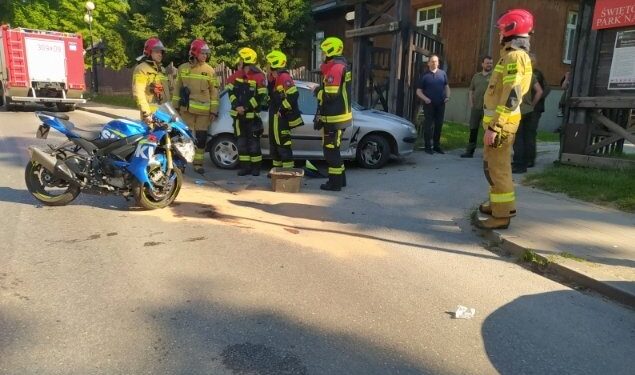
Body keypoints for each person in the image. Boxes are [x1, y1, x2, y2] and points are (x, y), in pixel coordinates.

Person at [476, 9, 534, 230]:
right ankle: (495, 205)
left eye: (501, 30)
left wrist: (495, 126)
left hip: (501, 124)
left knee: (499, 168)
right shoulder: (509, 55)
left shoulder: (515, 57)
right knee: (492, 166)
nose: (499, 34)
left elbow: (512, 95)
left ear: (511, 30)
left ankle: (502, 216)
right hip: (497, 123)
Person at [171, 39, 219, 174]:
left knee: (201, 138)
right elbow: (177, 89)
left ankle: (198, 163)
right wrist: (175, 108)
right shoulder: (183, 68)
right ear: (195, 53)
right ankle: (181, 163)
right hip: (186, 111)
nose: (205, 56)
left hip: (203, 114)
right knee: (182, 138)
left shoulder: (209, 71)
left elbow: (214, 92)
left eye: (206, 54)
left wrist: (214, 111)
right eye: (203, 53)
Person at [315, 36, 352, 191]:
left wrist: (317, 91)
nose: (322, 55)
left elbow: (330, 95)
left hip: (335, 118)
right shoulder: (340, 65)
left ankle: (334, 183)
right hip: (337, 116)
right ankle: (341, 180)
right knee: (334, 149)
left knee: (330, 152)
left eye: (323, 52)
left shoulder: (336, 68)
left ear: (330, 51)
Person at [226, 48, 268, 176]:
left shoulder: (259, 77)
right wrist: (237, 105)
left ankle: (256, 169)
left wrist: (246, 108)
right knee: (242, 144)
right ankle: (245, 168)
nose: (239, 62)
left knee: (254, 144)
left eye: (241, 60)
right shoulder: (235, 76)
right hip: (238, 118)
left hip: (252, 117)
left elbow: (260, 97)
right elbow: (230, 93)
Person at [265, 50, 304, 169]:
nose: (266, 66)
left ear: (273, 64)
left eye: (268, 63)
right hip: (275, 117)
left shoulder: (284, 77)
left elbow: (293, 95)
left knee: (283, 146)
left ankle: (287, 173)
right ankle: (277, 172)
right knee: (274, 145)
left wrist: (282, 109)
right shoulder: (273, 79)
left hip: (282, 118)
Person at [512, 53, 547, 173]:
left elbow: (542, 91)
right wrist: (532, 104)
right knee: (527, 136)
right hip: (529, 110)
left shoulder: (516, 75)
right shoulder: (530, 75)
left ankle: (520, 163)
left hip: (520, 110)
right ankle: (525, 161)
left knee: (520, 138)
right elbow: (540, 91)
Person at [416, 54, 451, 155]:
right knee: (428, 125)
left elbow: (447, 87)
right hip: (429, 104)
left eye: (436, 61)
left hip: (440, 104)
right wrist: (425, 99)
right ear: (428, 63)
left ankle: (436, 146)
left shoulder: (443, 74)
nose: (434, 63)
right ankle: (428, 147)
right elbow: (418, 91)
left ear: (438, 63)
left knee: (439, 125)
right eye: (432, 61)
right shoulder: (424, 75)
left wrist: (447, 97)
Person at [132, 37, 170, 125]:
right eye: (157, 52)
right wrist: (146, 113)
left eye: (161, 52)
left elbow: (169, 92)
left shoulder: (162, 70)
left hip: (165, 116)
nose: (160, 54)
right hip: (151, 118)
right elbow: (138, 93)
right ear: (149, 52)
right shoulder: (141, 69)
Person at [461, 56, 494, 158]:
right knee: (473, 129)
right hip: (476, 108)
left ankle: (488, 154)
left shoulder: (494, 76)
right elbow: (471, 90)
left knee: (488, 130)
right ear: (482, 64)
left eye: (491, 63)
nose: (489, 65)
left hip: (488, 109)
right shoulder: (476, 76)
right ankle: (469, 151)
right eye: (487, 63)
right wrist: (471, 102)